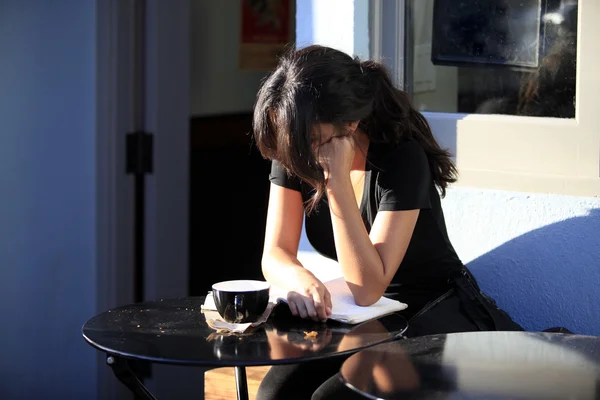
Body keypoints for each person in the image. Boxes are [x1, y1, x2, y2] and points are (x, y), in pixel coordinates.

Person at [251, 44, 523, 400]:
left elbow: (368, 287)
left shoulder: (401, 158)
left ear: (349, 123)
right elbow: (275, 254)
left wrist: (337, 184)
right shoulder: (297, 147)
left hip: (429, 310)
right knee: (275, 393)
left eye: (309, 140)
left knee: (334, 397)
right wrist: (300, 280)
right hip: (360, 316)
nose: (295, 152)